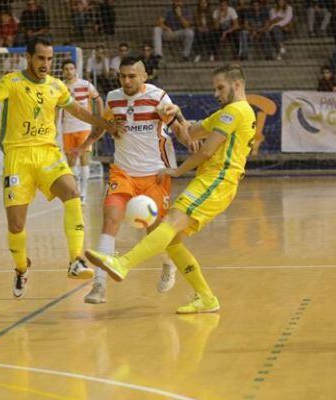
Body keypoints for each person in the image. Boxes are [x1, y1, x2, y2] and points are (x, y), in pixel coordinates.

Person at [86, 64, 257, 314]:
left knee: (169, 225)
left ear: (237, 85)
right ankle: (206, 298)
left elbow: (207, 150)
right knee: (173, 242)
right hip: (209, 180)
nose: (216, 93)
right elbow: (192, 133)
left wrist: (177, 171)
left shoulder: (237, 111)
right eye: (215, 88)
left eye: (220, 87)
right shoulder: (226, 113)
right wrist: (177, 113)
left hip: (218, 180)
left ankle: (122, 263)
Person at [0, 36, 123, 299]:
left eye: (50, 58)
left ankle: (76, 260)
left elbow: (77, 110)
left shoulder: (56, 86)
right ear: (28, 57)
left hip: (47, 153)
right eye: (41, 58)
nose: (46, 63)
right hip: (17, 158)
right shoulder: (12, 81)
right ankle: (21, 268)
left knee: (72, 192)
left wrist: (105, 124)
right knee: (16, 226)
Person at [73, 55, 198, 304]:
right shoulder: (113, 98)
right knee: (110, 219)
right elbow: (105, 124)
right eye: (123, 76)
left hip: (156, 173)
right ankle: (99, 285)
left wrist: (190, 140)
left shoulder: (158, 97)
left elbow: (176, 126)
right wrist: (85, 145)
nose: (127, 81)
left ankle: (167, 264)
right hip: (123, 172)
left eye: (132, 76)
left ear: (144, 76)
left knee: (155, 232)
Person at [60, 59, 104, 205]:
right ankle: (75, 191)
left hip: (84, 126)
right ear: (63, 71)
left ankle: (83, 194)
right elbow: (56, 108)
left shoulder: (85, 85)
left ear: (75, 70)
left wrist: (100, 118)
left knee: (84, 159)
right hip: (67, 127)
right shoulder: (61, 87)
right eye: (66, 69)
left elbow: (98, 100)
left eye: (71, 68)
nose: (69, 71)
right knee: (71, 161)